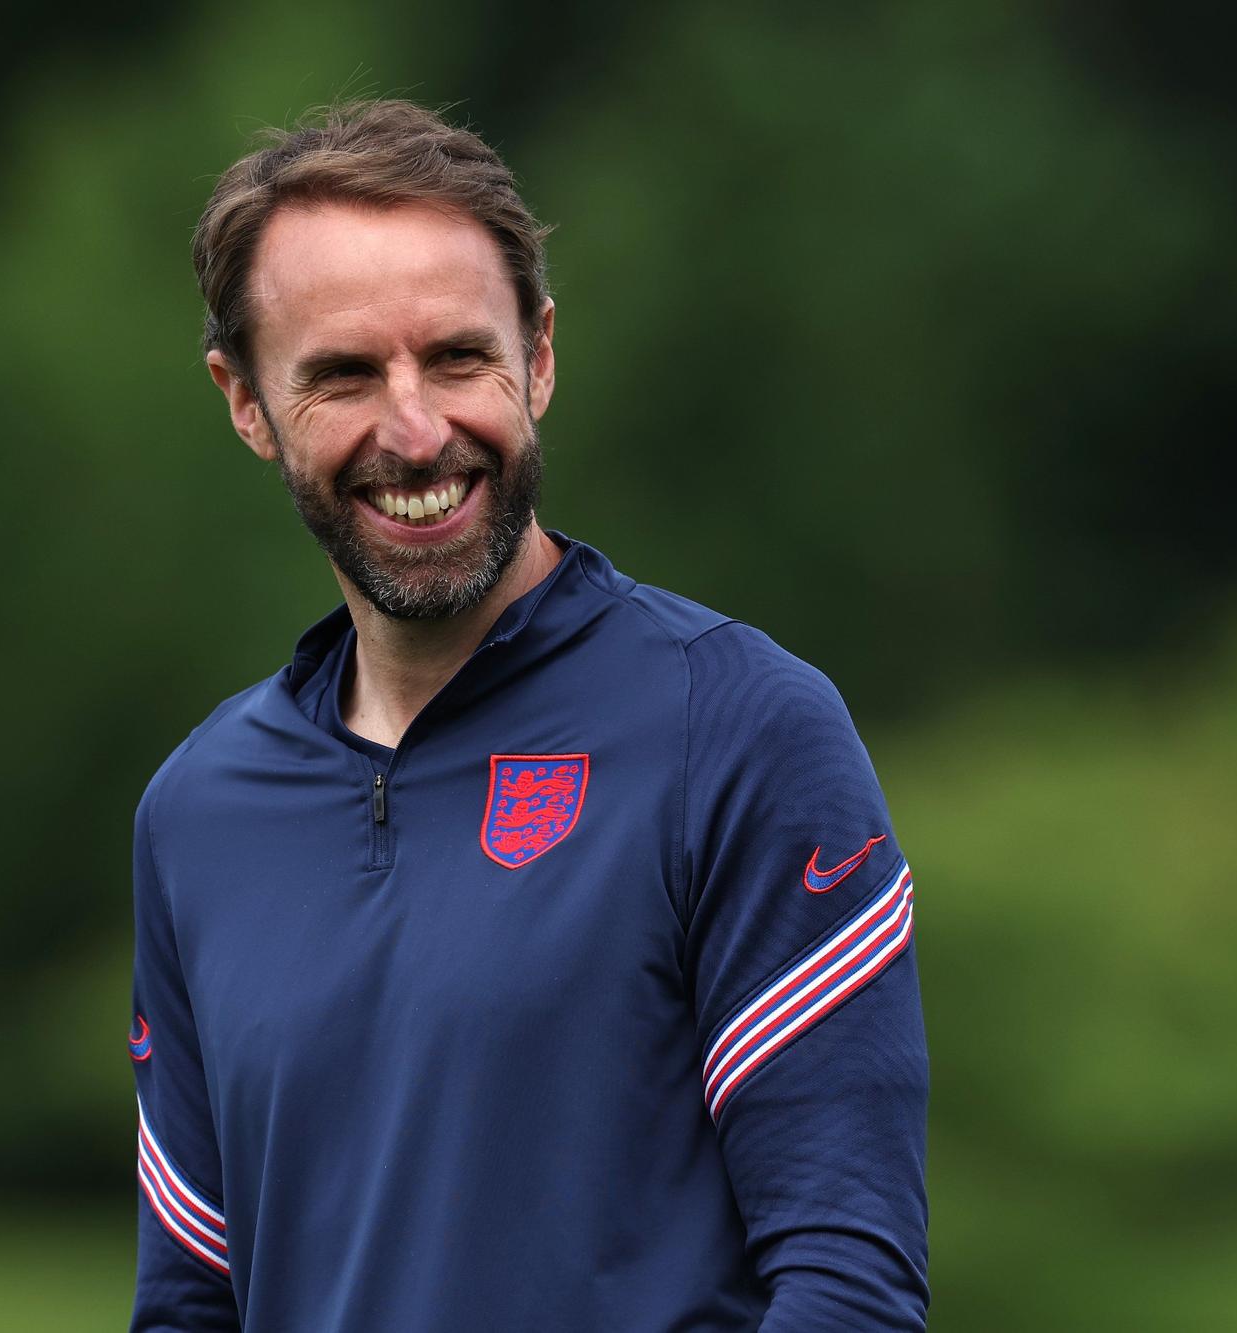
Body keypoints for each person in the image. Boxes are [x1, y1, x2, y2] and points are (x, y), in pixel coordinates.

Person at [129, 99, 928, 1332]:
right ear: (244, 402)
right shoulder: (198, 812)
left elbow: (846, 1290)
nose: (415, 429)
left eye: (457, 357)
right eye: (342, 373)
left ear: (539, 355)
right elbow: (191, 1303)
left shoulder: (736, 726)